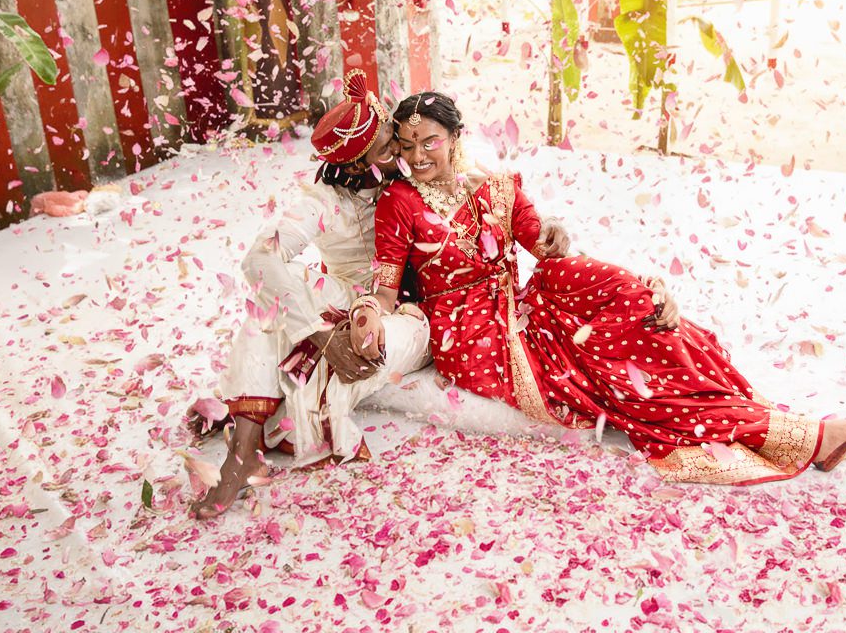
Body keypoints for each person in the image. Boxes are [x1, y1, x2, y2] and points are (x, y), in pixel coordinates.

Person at [350, 92, 846, 485]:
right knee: (610, 368)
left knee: (613, 297)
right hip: (473, 335)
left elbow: (544, 245)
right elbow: (386, 286)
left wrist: (588, 257)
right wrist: (369, 312)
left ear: (456, 138)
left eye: (430, 141)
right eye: (407, 146)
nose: (417, 157)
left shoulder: (496, 186)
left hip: (517, 303)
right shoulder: (398, 202)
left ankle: (667, 319)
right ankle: (802, 436)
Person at [193, 75, 574, 518]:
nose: (405, 150)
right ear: (357, 167)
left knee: (362, 338)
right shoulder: (324, 201)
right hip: (353, 298)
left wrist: (546, 227)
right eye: (390, 147)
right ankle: (242, 451)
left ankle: (280, 410)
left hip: (412, 315)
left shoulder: (428, 167)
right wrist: (317, 333)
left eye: (399, 137)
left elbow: (495, 199)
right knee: (267, 306)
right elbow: (260, 258)